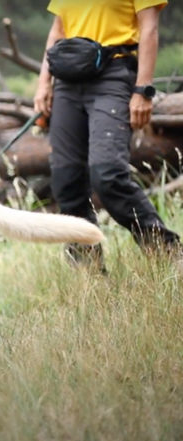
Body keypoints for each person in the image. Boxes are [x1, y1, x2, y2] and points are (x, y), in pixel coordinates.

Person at [33, 0, 180, 268]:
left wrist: (143, 90)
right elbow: (58, 30)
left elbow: (149, 29)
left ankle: (167, 252)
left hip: (112, 74)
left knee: (108, 174)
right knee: (66, 178)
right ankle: (87, 268)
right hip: (67, 80)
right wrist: (44, 83)